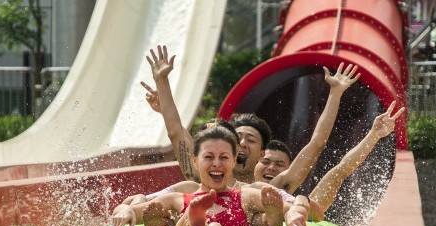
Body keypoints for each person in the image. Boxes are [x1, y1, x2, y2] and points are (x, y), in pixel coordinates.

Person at [143, 45, 360, 187]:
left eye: (251, 140)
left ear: (262, 153)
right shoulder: (202, 178)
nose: (243, 143)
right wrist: (162, 82)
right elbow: (176, 133)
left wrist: (335, 93)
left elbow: (316, 144)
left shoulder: (270, 189)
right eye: (238, 139)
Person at [112, 126, 309, 226]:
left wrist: (291, 213)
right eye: (208, 157)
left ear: (233, 160)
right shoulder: (177, 198)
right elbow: (135, 211)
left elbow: (289, 209)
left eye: (224, 157)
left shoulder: (245, 196)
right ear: (196, 161)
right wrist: (125, 210)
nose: (217, 163)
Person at [309, 101, 406, 212]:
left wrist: (374, 135)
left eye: (283, 164)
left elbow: (342, 169)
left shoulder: (303, 206)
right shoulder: (292, 201)